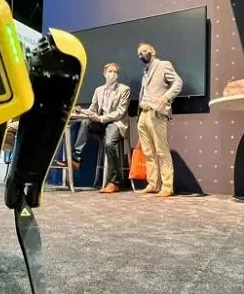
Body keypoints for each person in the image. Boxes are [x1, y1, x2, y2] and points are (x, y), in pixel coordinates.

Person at [69, 62, 131, 193]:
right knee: (85, 122)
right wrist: (81, 110)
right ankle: (76, 158)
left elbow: (120, 112)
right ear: (104, 73)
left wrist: (101, 118)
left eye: (115, 72)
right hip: (101, 124)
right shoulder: (99, 90)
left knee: (109, 143)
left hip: (116, 123)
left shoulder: (124, 90)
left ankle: (114, 182)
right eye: (110, 71)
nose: (112, 74)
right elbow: (92, 110)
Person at [136, 43, 182, 197]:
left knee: (161, 150)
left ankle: (167, 186)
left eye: (144, 51)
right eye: (139, 53)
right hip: (143, 114)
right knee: (148, 152)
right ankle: (153, 184)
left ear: (153, 51)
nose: (142, 54)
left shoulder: (163, 65)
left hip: (156, 112)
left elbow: (178, 82)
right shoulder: (145, 71)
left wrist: (167, 97)